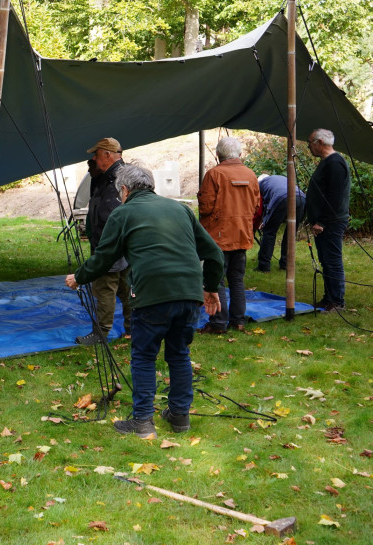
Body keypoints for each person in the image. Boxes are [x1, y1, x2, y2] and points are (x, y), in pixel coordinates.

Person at [66, 164, 223, 438]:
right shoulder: (180, 209)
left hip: (152, 295)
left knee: (143, 356)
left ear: (124, 190)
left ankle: (142, 421)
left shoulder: (123, 213)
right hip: (189, 294)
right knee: (179, 354)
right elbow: (214, 254)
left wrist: (79, 277)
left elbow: (104, 258)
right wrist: (210, 288)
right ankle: (179, 416)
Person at [196, 137, 261, 334]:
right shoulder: (250, 174)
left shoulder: (215, 174)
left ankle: (218, 323)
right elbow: (257, 205)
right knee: (237, 280)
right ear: (239, 154)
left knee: (217, 281)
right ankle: (238, 321)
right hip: (242, 234)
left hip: (219, 237)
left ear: (218, 155)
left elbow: (205, 207)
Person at [76, 137, 132, 345]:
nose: (94, 159)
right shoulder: (112, 175)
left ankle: (100, 333)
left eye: (97, 155)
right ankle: (132, 329)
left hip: (111, 243)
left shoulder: (116, 178)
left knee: (105, 288)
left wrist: (104, 249)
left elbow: (111, 214)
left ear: (107, 155)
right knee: (127, 288)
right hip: (123, 243)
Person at [306, 128, 350, 310]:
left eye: (310, 143)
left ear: (320, 143)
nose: (309, 147)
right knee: (326, 260)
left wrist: (321, 221)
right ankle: (329, 297)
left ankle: (337, 301)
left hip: (331, 222)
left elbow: (335, 196)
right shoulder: (328, 162)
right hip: (325, 222)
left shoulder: (335, 163)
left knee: (332, 260)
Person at [255, 174, 306, 272]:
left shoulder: (260, 184)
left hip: (282, 198)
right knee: (290, 233)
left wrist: (265, 221)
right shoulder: (279, 178)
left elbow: (261, 205)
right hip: (301, 198)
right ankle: (285, 264)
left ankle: (263, 266)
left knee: (269, 232)